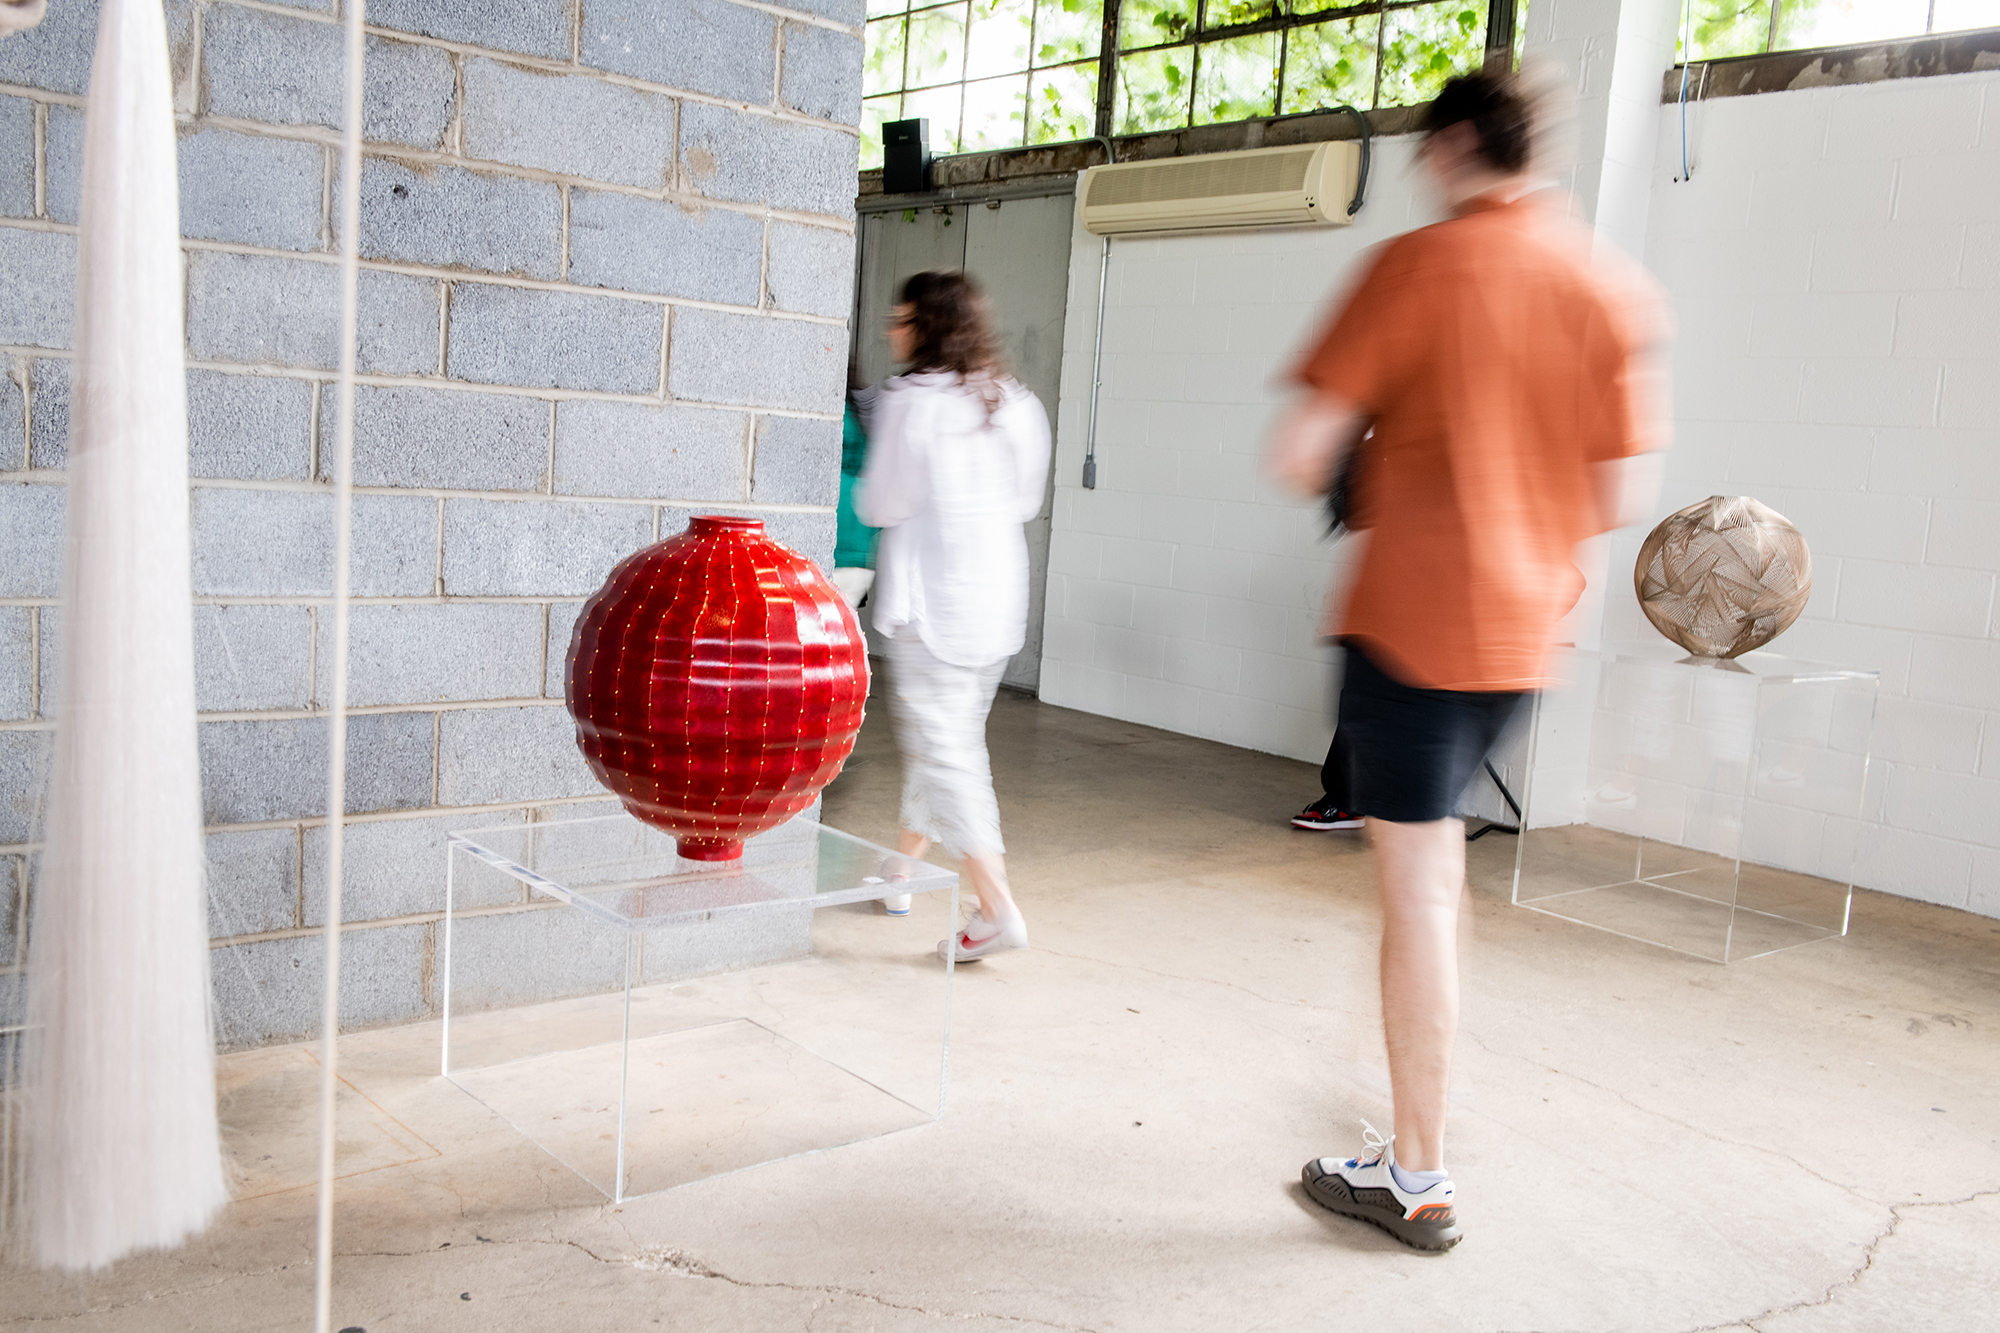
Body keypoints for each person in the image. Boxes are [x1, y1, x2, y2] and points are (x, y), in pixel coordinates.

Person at [1265, 70, 1667, 1251]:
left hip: (1414, 619)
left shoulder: (1415, 268)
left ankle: (1417, 1173)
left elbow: (1298, 453)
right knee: (1435, 875)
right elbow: (1617, 487)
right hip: (1526, 630)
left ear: (1449, 146)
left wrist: (1385, 457)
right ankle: (1413, 1137)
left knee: (1418, 891)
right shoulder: (1606, 284)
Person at [855, 270, 1052, 962]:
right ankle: (901, 866)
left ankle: (997, 907)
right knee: (948, 741)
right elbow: (1026, 500)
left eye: (901, 318)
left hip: (930, 606)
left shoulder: (912, 402)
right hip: (996, 601)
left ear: (927, 327)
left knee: (948, 752)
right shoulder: (1016, 403)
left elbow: (880, 504)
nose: (890, 330)